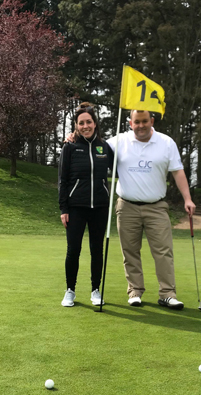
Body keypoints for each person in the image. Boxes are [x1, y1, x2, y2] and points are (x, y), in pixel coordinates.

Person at [108, 110, 195, 309]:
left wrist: (187, 199)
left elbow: (178, 171)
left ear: (152, 121)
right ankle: (135, 291)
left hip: (156, 207)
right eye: (137, 122)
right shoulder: (119, 141)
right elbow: (95, 148)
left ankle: (167, 294)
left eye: (145, 121)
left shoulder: (166, 143)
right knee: (130, 251)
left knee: (163, 251)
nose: (141, 125)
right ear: (130, 123)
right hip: (127, 206)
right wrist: (74, 137)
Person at [58, 102, 113, 307]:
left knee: (97, 250)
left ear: (95, 123)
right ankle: (70, 290)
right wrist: (63, 208)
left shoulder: (105, 147)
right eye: (81, 123)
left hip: (100, 207)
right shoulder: (70, 147)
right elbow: (63, 180)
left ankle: (95, 290)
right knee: (73, 250)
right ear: (76, 125)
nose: (85, 126)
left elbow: (118, 168)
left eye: (88, 122)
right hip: (75, 208)